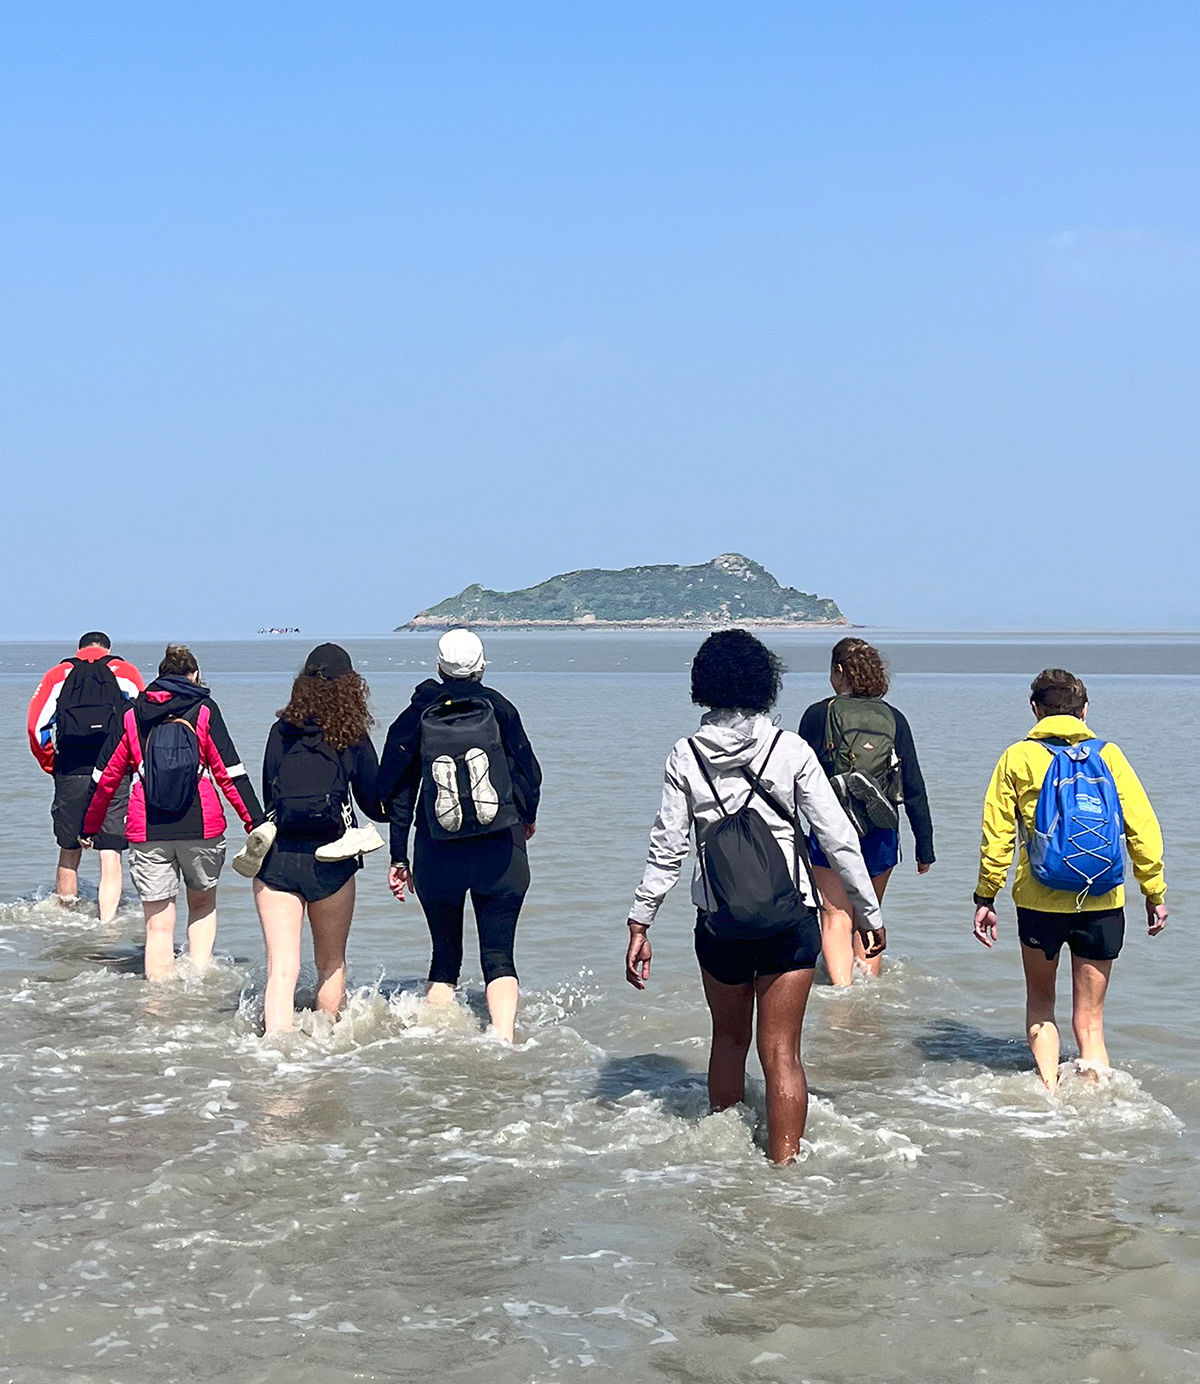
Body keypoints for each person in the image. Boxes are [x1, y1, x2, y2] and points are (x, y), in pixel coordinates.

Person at [624, 629, 884, 1163]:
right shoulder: (792, 751)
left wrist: (640, 921)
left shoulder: (685, 755)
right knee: (782, 1052)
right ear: (766, 684)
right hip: (789, 920)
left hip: (719, 924)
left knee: (727, 1041)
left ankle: (725, 1164)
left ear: (704, 685)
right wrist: (868, 911)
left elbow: (667, 848)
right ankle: (785, 1169)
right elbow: (838, 838)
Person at [972, 668, 1168, 1091]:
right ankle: (1098, 1099)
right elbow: (1142, 829)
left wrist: (986, 895)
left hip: (1039, 901)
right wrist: (1154, 891)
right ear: (1084, 710)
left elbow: (997, 838)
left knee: (1042, 1006)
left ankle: (1049, 1097)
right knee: (1092, 1021)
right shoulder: (1110, 755)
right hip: (1101, 900)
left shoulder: (1017, 758)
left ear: (1035, 709)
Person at [379, 629, 541, 1043]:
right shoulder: (500, 708)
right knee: (499, 957)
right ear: (482, 666)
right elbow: (530, 772)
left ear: (438, 667)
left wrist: (399, 858)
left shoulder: (417, 714)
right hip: (500, 846)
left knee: (444, 959)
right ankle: (502, 1040)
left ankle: (433, 1042)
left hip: (437, 849)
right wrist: (526, 817)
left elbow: (396, 792)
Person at [83, 645, 265, 979]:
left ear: (160, 675)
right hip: (202, 826)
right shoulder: (204, 709)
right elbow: (230, 773)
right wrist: (256, 822)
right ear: (194, 675)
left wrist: (88, 826)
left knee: (158, 925)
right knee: (201, 905)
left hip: (146, 829)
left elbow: (106, 777)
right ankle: (195, 987)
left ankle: (158, 1003)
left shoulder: (132, 713)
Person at [252, 644, 386, 1034]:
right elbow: (374, 804)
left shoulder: (280, 731)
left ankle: (277, 1051)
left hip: (276, 860)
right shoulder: (352, 735)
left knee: (281, 970)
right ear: (350, 686)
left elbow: (268, 797)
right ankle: (324, 1054)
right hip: (332, 860)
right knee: (331, 963)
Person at [798, 637, 935, 985]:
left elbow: (794, 780)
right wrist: (925, 848)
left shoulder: (819, 713)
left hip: (830, 830)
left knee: (835, 916)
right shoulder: (894, 717)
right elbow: (914, 785)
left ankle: (841, 996)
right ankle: (868, 995)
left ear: (839, 671)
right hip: (882, 831)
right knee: (867, 916)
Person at [27, 632, 145, 921]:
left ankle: (65, 916)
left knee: (69, 846)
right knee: (110, 851)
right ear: (108, 649)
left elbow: (36, 726)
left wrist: (51, 763)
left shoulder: (57, 674)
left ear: (78, 649)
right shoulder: (126, 672)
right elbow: (142, 721)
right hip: (114, 773)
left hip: (70, 770)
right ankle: (107, 924)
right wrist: (133, 764)